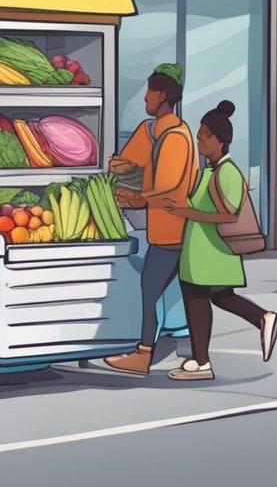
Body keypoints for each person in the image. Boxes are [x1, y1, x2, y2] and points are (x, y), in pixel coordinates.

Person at [164, 100, 277, 381]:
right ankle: (262, 319)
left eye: (205, 135)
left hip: (212, 251)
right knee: (217, 297)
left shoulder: (227, 172)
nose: (199, 140)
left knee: (200, 299)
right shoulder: (208, 171)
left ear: (220, 141)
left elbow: (229, 215)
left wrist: (185, 211)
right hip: (200, 250)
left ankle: (202, 362)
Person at [103, 63, 200, 375]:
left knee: (150, 287)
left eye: (149, 92)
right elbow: (131, 160)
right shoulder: (151, 130)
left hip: (175, 230)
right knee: (168, 288)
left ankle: (144, 354)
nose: (145, 97)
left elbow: (170, 188)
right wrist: (119, 167)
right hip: (157, 230)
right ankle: (191, 347)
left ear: (162, 95)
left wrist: (137, 198)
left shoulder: (177, 137)